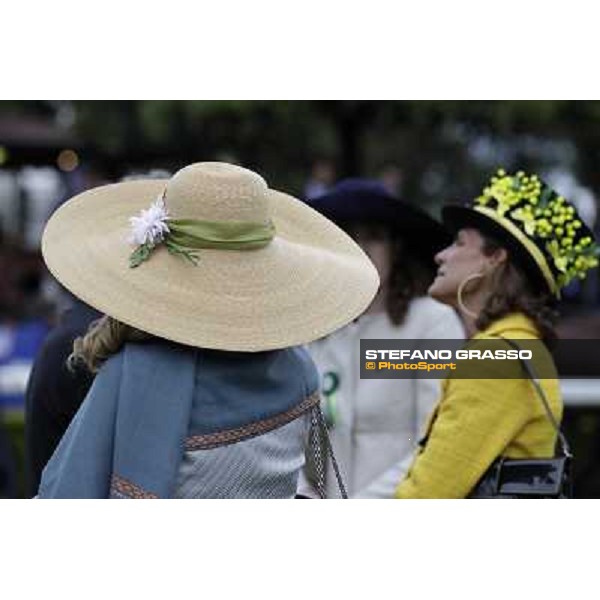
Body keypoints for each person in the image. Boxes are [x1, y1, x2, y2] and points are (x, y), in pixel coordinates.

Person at [36, 162, 379, 499]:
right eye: (357, 235)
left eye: (374, 236)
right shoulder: (297, 366)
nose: (367, 246)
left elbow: (69, 489)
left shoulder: (134, 374)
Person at [395, 169, 599, 498]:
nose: (440, 255)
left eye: (459, 243)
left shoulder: (496, 359)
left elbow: (426, 495)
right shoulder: (517, 346)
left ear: (494, 259)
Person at [297, 179, 464, 498]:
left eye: (374, 238)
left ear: (396, 248)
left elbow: (435, 442)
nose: (361, 249)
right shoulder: (311, 329)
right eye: (349, 238)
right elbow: (287, 441)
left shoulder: (431, 322)